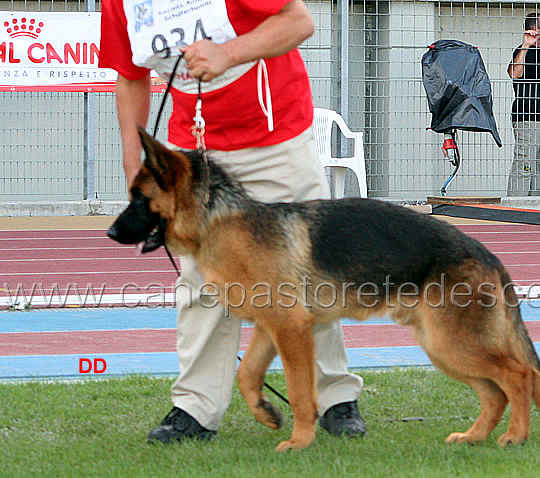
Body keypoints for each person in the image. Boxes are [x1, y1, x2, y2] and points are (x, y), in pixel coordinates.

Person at [99, 0, 365, 443]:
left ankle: (335, 397)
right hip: (195, 150)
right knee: (202, 281)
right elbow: (129, 75)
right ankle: (196, 408)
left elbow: (298, 22)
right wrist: (135, 160)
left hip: (276, 138)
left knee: (306, 275)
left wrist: (228, 53)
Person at [506, 12, 540, 196]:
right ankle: (516, 208)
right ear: (535, 30)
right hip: (527, 118)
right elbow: (514, 73)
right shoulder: (524, 51)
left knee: (539, 167)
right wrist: (526, 44)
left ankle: (535, 207)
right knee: (524, 165)